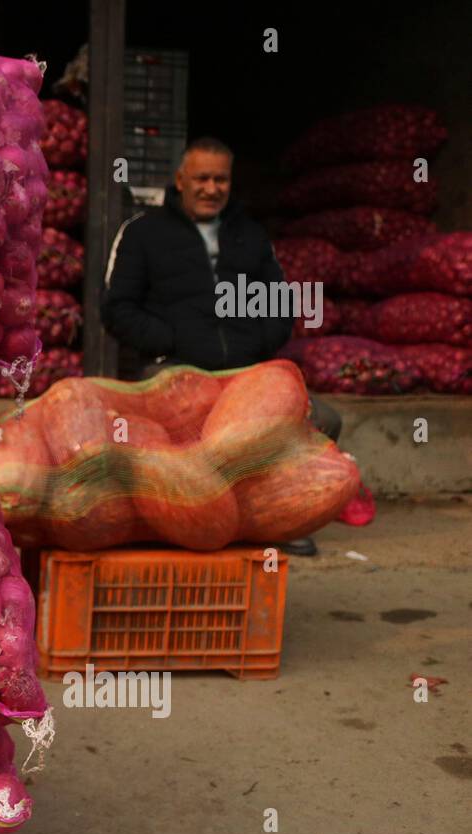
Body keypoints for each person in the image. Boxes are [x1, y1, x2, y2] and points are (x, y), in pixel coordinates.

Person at [102, 136, 341, 556]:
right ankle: (204, 522)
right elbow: (117, 308)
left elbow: (280, 302)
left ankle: (275, 518)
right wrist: (168, 341)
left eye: (221, 180)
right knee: (189, 444)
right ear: (180, 180)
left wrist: (262, 341)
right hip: (174, 372)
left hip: (245, 375)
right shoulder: (143, 233)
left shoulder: (249, 235)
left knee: (323, 419)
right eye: (202, 178)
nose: (212, 188)